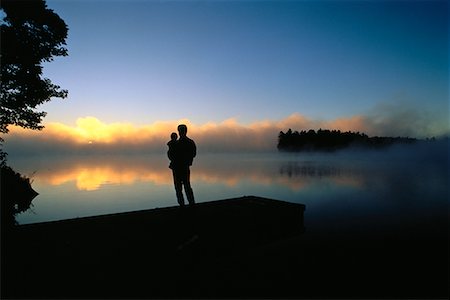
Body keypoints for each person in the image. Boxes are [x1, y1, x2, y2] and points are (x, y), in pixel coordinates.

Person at [169, 124, 196, 207]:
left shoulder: (179, 143)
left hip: (180, 168)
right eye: (180, 130)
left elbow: (171, 155)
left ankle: (185, 205)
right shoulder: (189, 142)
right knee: (184, 186)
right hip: (182, 167)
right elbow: (193, 154)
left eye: (181, 130)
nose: (180, 132)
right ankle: (189, 204)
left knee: (181, 187)